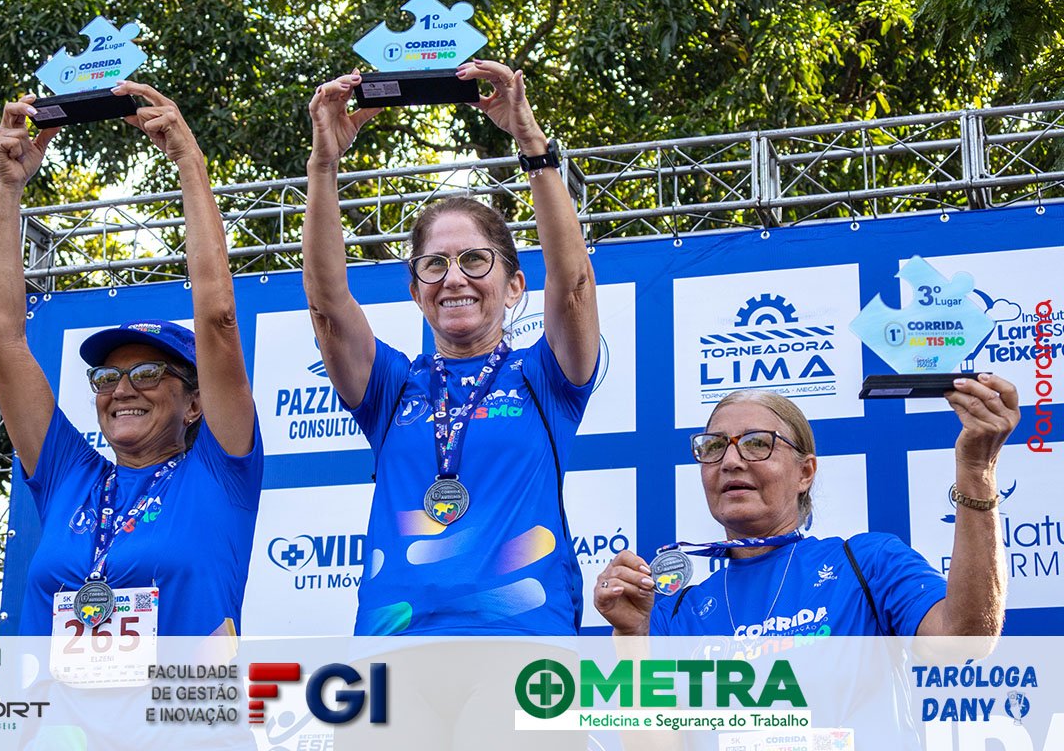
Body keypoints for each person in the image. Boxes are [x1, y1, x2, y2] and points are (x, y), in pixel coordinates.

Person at [302, 61, 600, 635]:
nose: (454, 277)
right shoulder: (392, 389)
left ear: (514, 286)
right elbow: (327, 306)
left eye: (474, 260)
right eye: (434, 264)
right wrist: (324, 165)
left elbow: (574, 287)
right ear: (416, 292)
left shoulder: (545, 378)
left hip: (521, 642)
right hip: (397, 643)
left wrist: (531, 144)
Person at [0, 83, 263, 636]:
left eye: (149, 373)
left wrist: (188, 162)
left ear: (195, 404)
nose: (123, 389)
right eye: (108, 376)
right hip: (54, 698)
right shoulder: (69, 477)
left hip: (185, 695)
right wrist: (7, 187)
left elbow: (217, 318)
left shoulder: (219, 470)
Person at [595, 378, 1018, 639]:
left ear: (805, 472)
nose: (731, 460)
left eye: (757, 443)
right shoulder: (672, 611)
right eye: (714, 446)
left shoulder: (869, 564)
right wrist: (631, 637)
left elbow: (963, 640)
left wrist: (976, 469)